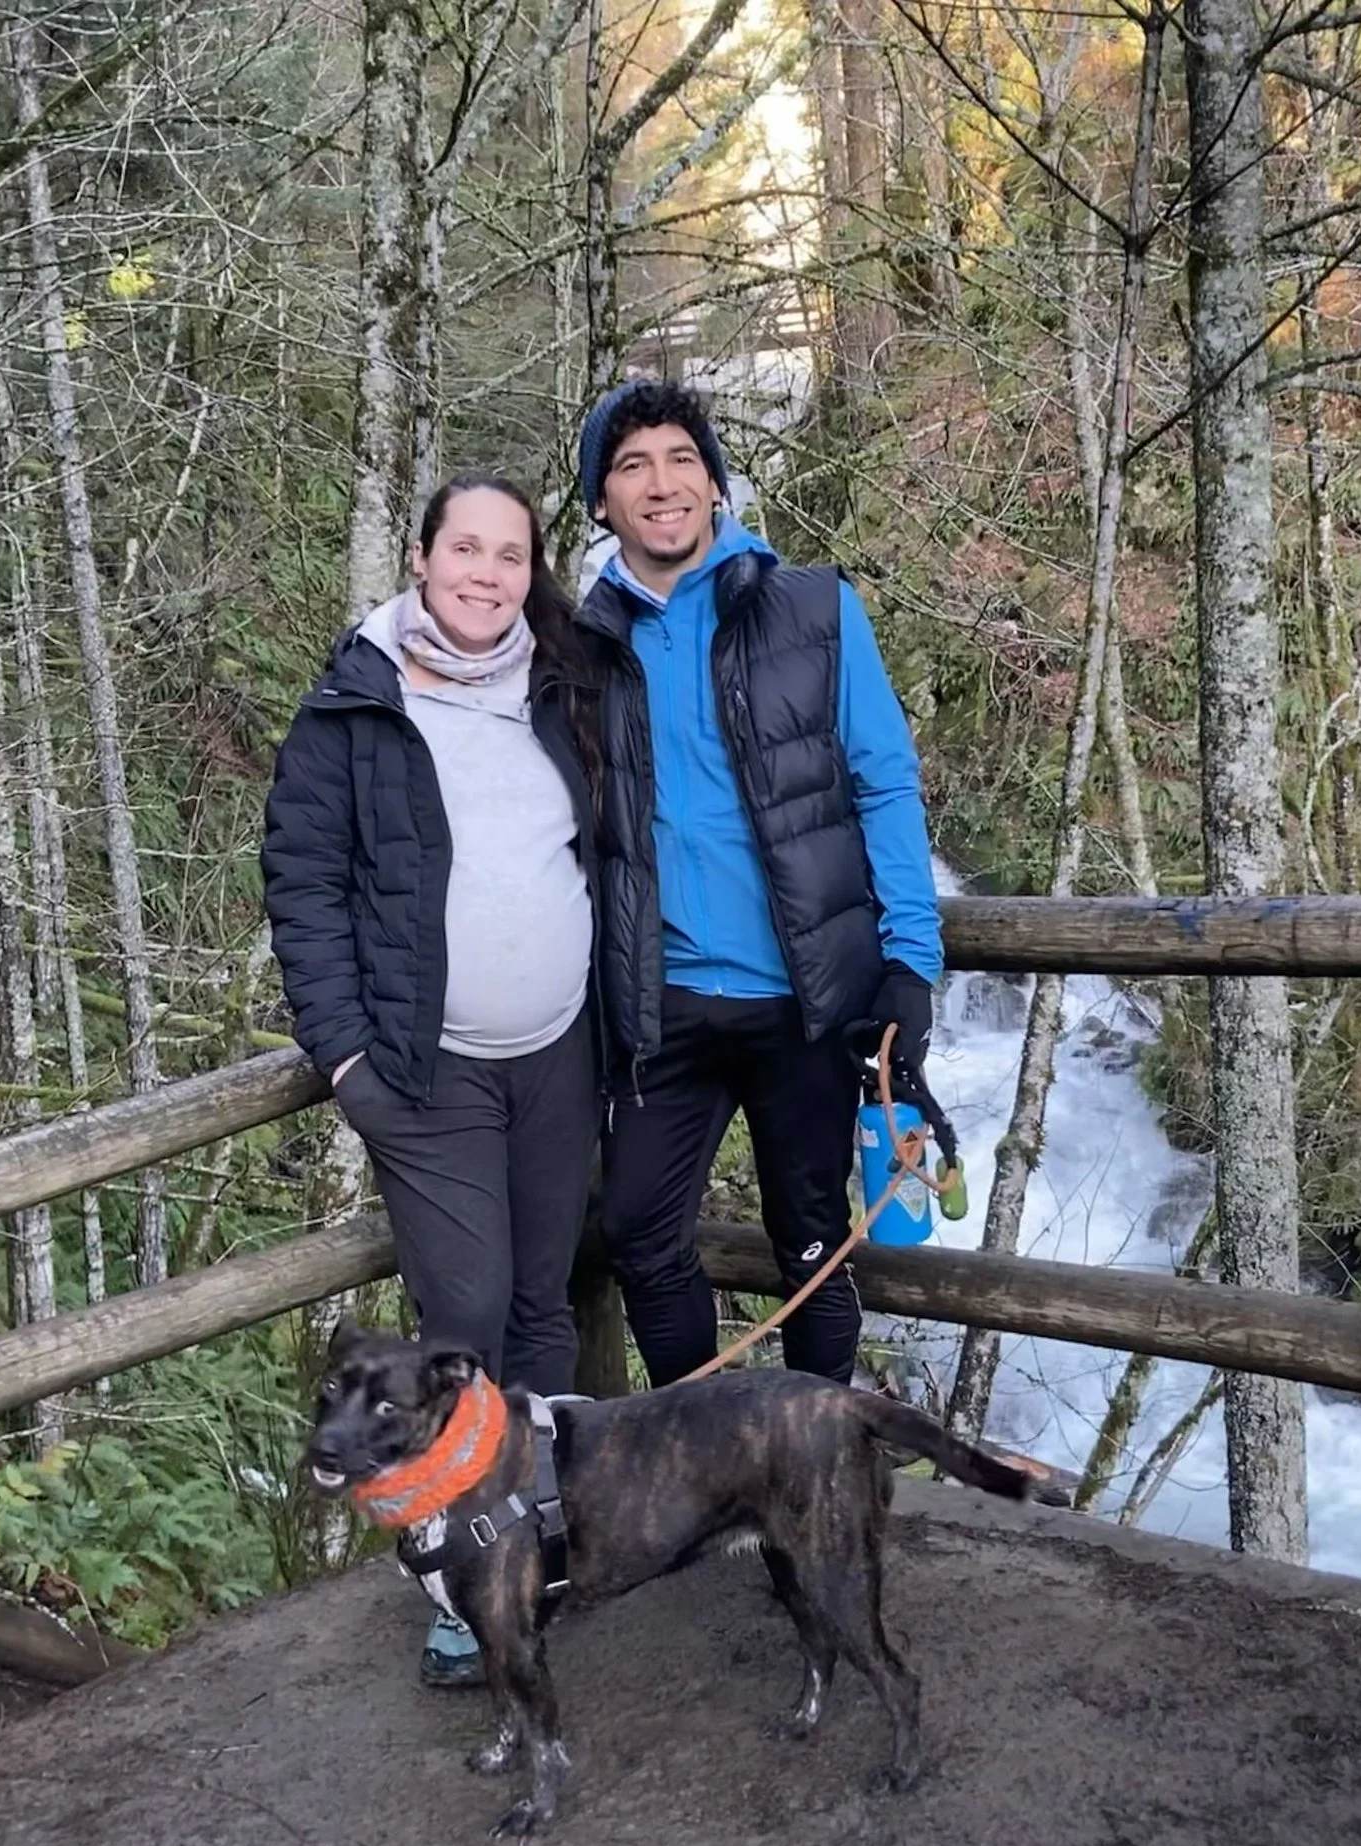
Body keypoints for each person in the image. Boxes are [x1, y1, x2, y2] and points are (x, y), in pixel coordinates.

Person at [261, 474, 600, 1689]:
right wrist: (344, 1055)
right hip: (425, 1068)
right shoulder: (352, 706)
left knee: (548, 1309)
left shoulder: (565, 689)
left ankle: (547, 1547)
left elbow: (612, 849)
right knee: (467, 1318)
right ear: (420, 557)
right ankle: (466, 1592)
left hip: (562, 1051)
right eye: (467, 548)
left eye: (511, 556)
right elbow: (302, 889)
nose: (488, 574)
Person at [571, 378, 942, 1389]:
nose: (662, 483)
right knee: (639, 1234)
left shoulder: (814, 607)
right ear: (602, 504)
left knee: (814, 1249)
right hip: (663, 1003)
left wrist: (909, 959)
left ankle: (807, 1478)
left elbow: (883, 779)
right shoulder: (582, 650)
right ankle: (706, 1458)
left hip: (805, 997)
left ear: (716, 485)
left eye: (682, 459)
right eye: (633, 465)